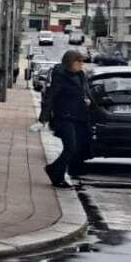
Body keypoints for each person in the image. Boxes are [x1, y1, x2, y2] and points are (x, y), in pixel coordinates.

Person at [39, 49, 90, 188]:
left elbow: (84, 92)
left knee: (73, 148)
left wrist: (86, 100)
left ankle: (58, 177)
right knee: (71, 147)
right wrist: (43, 118)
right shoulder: (60, 76)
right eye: (78, 62)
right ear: (70, 62)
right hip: (63, 116)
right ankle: (53, 170)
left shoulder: (80, 75)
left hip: (77, 116)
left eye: (82, 62)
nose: (81, 64)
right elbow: (50, 97)